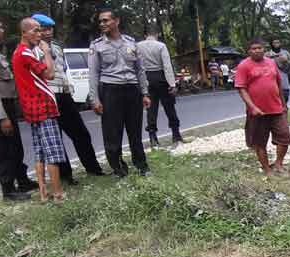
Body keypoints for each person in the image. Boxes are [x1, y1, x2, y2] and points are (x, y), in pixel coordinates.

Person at [32, 13, 105, 183]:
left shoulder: (57, 47)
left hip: (64, 94)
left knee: (80, 133)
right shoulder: (32, 50)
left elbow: (62, 70)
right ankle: (66, 176)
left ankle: (93, 168)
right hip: (47, 95)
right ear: (36, 30)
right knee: (56, 139)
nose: (48, 32)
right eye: (44, 29)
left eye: (50, 28)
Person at [89, 9, 151, 177]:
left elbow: (140, 70)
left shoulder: (131, 43)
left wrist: (145, 93)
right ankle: (119, 169)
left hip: (132, 90)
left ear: (116, 21)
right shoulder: (97, 46)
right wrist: (95, 99)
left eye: (106, 20)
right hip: (110, 90)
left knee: (135, 132)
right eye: (100, 21)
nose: (102, 24)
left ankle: (142, 166)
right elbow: (93, 74)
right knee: (112, 133)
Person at [0, 15, 39, 201]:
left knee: (15, 146)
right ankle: (8, 189)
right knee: (3, 148)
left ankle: (22, 180)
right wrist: (1, 117)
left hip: (6, 104)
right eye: (0, 27)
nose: (3, 30)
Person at [12, 18, 67, 202]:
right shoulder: (26, 54)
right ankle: (58, 192)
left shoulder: (19, 52)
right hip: (42, 105)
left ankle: (44, 192)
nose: (39, 34)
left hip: (32, 107)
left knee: (40, 151)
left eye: (40, 30)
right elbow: (50, 74)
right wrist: (46, 51)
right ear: (24, 33)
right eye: (35, 31)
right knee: (52, 150)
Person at [236, 38, 290, 176]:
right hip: (257, 112)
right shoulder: (244, 66)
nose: (257, 50)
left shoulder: (271, 63)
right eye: (253, 48)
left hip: (277, 109)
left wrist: (284, 105)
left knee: (284, 137)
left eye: (259, 48)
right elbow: (241, 89)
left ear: (264, 49)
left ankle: (278, 164)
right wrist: (253, 107)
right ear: (249, 51)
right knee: (260, 142)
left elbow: (278, 83)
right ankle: (267, 169)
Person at [137, 27, 183, 148]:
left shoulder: (138, 46)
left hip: (146, 78)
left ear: (145, 34)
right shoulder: (161, 46)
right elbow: (167, 66)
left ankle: (153, 137)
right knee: (169, 107)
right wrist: (172, 84)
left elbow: (136, 65)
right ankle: (176, 134)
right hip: (161, 77)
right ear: (157, 34)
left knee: (151, 109)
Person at [266, 38, 290, 103]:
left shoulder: (285, 53)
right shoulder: (267, 55)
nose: (276, 44)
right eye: (274, 43)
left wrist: (286, 61)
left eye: (278, 42)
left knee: (284, 106)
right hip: (271, 86)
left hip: (284, 84)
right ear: (271, 44)